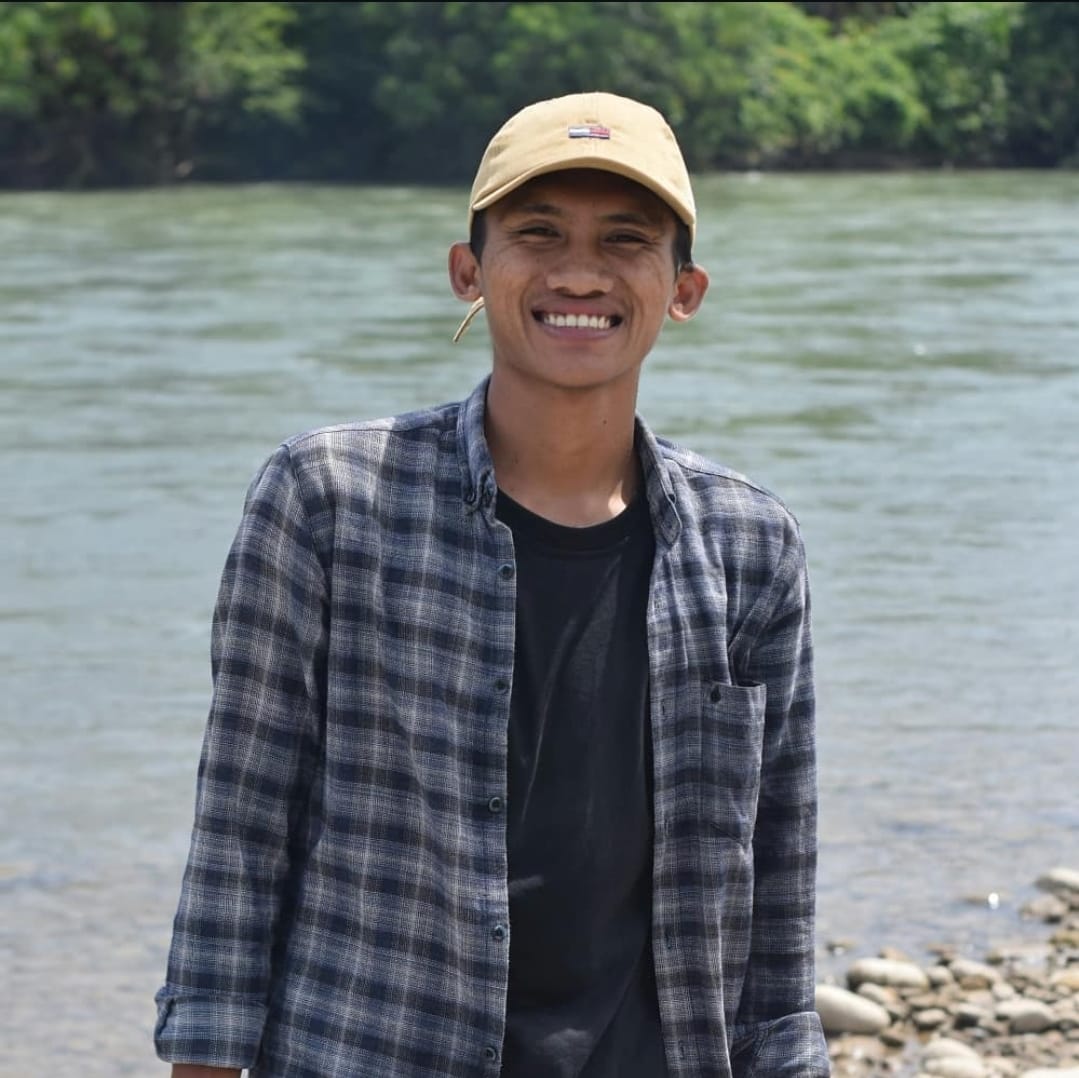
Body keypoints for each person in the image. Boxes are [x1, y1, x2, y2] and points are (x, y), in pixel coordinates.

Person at [155, 91, 828, 1078]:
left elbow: (777, 888)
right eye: (538, 233)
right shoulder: (328, 499)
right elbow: (239, 831)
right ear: (468, 271)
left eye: (625, 240)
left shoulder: (749, 546)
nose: (578, 273)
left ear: (682, 289)